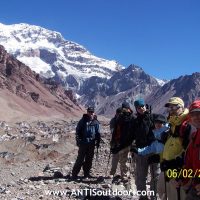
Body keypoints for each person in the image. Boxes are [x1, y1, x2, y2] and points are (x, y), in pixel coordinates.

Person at [160, 97, 190, 200]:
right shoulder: (173, 124)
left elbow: (189, 153)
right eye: (169, 108)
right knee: (169, 194)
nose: (171, 111)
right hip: (170, 168)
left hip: (179, 171)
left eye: (173, 107)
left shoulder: (187, 125)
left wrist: (180, 175)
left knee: (180, 196)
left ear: (181, 107)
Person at [132, 98, 159, 200]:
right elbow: (132, 136)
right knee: (141, 176)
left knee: (156, 175)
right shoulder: (135, 122)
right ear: (136, 109)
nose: (141, 109)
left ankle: (154, 196)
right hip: (141, 152)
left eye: (142, 106)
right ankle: (143, 197)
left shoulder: (154, 117)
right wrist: (133, 148)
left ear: (145, 106)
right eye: (139, 107)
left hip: (154, 151)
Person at [71, 106, 101, 179]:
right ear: (87, 112)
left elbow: (98, 132)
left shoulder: (96, 122)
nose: (91, 113)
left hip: (91, 143)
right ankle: (74, 174)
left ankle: (86, 174)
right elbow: (78, 131)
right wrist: (79, 140)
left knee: (89, 159)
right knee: (80, 159)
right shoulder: (83, 121)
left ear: (94, 113)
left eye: (92, 112)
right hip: (83, 143)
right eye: (89, 112)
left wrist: (98, 140)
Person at [109, 102, 134, 182]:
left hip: (129, 142)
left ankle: (127, 175)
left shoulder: (132, 118)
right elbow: (115, 131)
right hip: (120, 142)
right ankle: (121, 175)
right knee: (121, 159)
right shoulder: (118, 119)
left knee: (128, 160)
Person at [182, 100, 200, 200]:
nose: (197, 117)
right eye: (193, 114)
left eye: (199, 113)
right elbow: (190, 163)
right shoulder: (194, 137)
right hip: (195, 185)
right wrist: (183, 180)